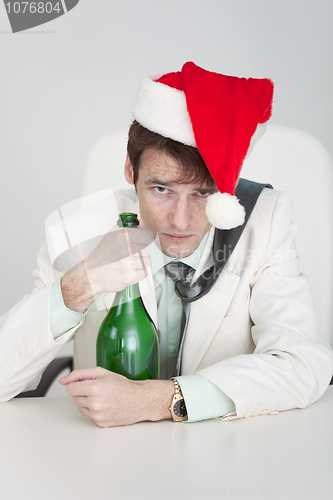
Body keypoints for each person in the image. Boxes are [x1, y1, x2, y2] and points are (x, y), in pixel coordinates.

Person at [1, 62, 332, 427]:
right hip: (102, 455)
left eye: (203, 193)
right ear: (131, 170)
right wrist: (78, 286)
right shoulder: (72, 230)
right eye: (161, 189)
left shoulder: (267, 219)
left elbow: (302, 364)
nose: (180, 220)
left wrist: (161, 400)